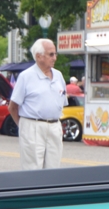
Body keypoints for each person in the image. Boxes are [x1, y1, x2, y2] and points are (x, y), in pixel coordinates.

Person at [9, 38, 67, 169]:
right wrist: (23, 126)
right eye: (51, 54)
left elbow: (61, 102)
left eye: (55, 54)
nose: (55, 58)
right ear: (38, 56)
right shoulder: (26, 76)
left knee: (54, 168)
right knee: (32, 168)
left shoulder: (58, 75)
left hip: (54, 125)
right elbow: (12, 107)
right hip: (32, 125)